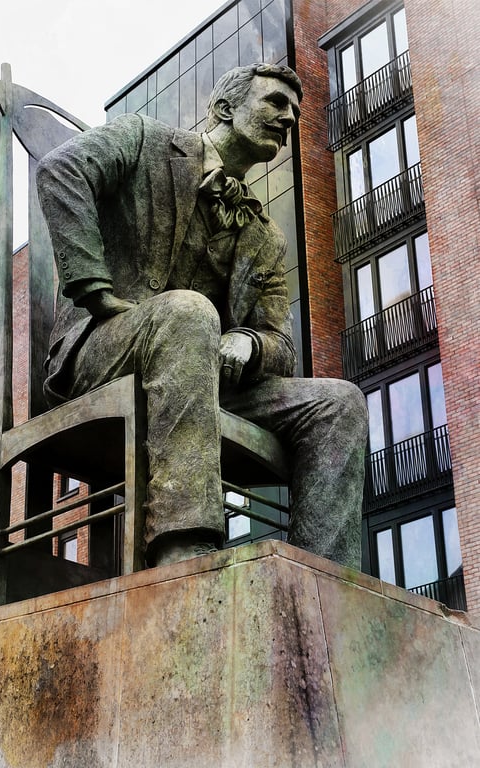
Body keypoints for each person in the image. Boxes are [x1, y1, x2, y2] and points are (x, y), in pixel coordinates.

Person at [36, 63, 368, 569]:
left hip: (209, 383)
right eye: (275, 103)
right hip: (103, 354)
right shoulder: (145, 139)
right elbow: (60, 171)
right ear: (224, 108)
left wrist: (250, 345)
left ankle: (321, 580)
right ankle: (184, 551)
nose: (289, 118)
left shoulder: (264, 236)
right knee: (191, 312)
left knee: (340, 402)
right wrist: (96, 290)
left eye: (296, 112)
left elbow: (281, 342)